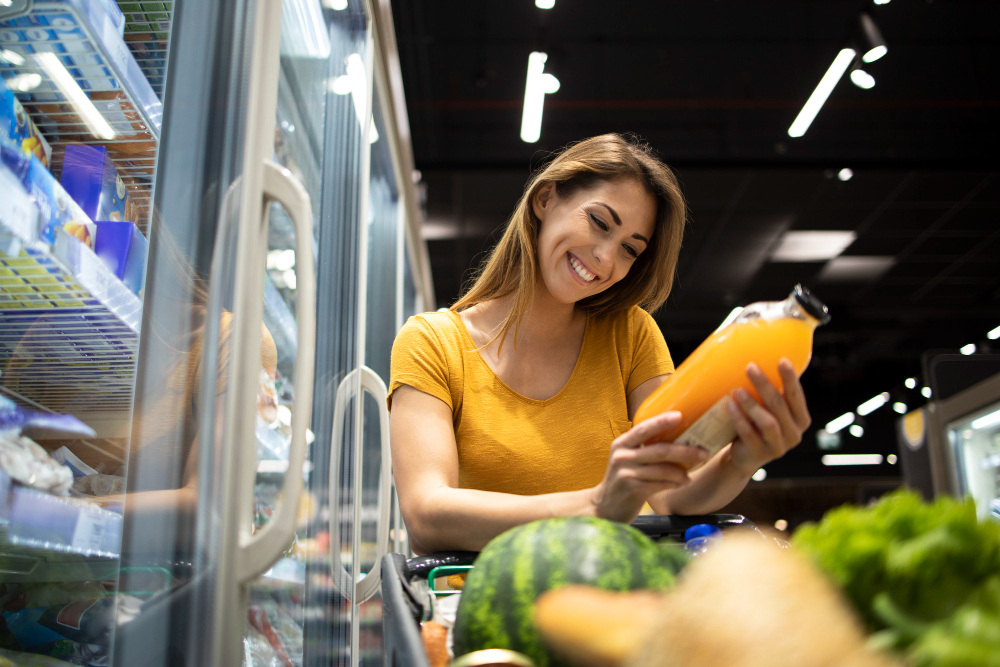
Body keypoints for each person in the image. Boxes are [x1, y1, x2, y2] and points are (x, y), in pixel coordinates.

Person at [388, 134, 811, 555]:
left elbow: (671, 491)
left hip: (617, 594)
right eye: (599, 222)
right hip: (493, 602)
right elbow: (427, 513)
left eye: (630, 249)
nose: (606, 259)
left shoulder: (631, 335)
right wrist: (594, 505)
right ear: (545, 199)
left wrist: (740, 460)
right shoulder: (432, 344)